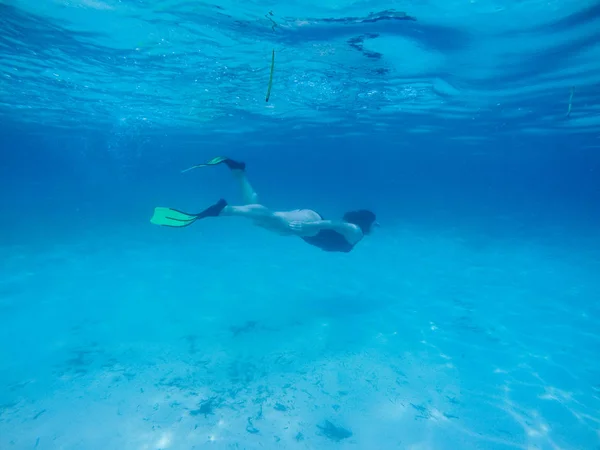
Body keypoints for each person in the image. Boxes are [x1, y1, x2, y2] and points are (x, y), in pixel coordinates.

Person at [150, 157, 378, 253]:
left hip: (310, 224)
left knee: (260, 215)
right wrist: (315, 225)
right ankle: (226, 210)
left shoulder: (355, 231)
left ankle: (238, 172)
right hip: (312, 225)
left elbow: (339, 224)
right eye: (373, 225)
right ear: (366, 223)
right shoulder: (356, 232)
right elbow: (340, 224)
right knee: (268, 218)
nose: (373, 228)